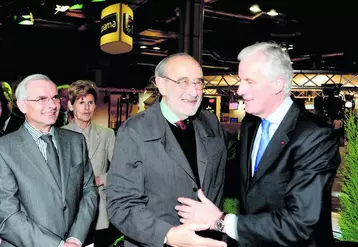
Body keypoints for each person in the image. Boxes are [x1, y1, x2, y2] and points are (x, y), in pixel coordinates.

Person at [176, 42, 341, 247]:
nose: (239, 89)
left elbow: (299, 223)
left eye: (249, 81)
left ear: (277, 85)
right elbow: (244, 181)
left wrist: (219, 221)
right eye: (240, 80)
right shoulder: (251, 124)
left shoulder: (315, 136)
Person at [106, 53, 230, 247]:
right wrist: (168, 235)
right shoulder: (135, 131)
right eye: (183, 82)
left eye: (199, 83)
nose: (194, 91)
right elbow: (120, 205)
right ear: (161, 85)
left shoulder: (210, 122)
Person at [0, 74, 98, 247]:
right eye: (41, 99)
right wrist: (58, 245)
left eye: (55, 97)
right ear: (22, 105)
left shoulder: (76, 141)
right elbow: (7, 215)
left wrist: (75, 238)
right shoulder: (4, 148)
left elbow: (89, 191)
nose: (52, 105)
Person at [62, 80, 118, 247]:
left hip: (99, 210)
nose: (86, 107)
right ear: (71, 106)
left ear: (95, 106)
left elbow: (121, 171)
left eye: (90, 102)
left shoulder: (107, 135)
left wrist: (101, 179)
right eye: (81, 102)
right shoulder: (60, 135)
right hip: (68, 210)